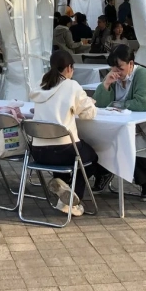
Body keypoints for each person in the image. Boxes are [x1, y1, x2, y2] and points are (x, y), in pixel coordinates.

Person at [28, 50, 104, 216]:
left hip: (38, 152)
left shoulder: (41, 86)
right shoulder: (72, 86)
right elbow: (88, 113)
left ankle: (64, 187)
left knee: (72, 154)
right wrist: (90, 102)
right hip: (64, 151)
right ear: (69, 68)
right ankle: (71, 201)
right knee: (91, 159)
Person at [93, 45, 146, 199]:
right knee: (97, 136)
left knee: (135, 140)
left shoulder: (142, 75)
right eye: (113, 68)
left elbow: (143, 104)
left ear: (131, 64)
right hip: (121, 123)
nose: (116, 72)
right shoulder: (114, 78)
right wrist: (106, 84)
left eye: (120, 67)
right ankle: (103, 172)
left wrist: (116, 105)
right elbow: (98, 104)